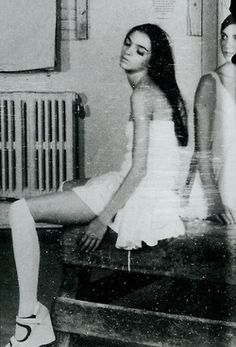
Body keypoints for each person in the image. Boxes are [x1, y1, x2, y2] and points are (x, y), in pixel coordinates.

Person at [5, 23, 188, 347]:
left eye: (139, 50)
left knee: (19, 211)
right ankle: (36, 319)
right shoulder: (153, 90)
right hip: (141, 186)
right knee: (71, 185)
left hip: (138, 191)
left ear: (151, 60)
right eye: (128, 44)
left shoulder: (142, 94)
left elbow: (141, 168)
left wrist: (103, 219)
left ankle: (29, 322)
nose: (127, 52)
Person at [192, 14, 236, 225]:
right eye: (224, 37)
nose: (227, 44)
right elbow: (201, 151)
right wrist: (214, 200)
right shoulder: (210, 82)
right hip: (221, 185)